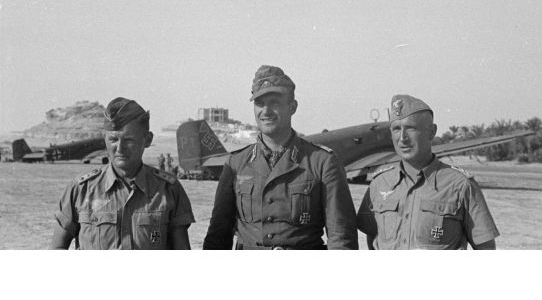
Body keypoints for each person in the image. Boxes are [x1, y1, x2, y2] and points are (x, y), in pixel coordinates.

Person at [203, 65, 358, 250]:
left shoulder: (322, 162)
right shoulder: (236, 164)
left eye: (274, 102)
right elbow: (218, 237)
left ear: (292, 107)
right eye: (259, 103)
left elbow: (341, 236)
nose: (266, 111)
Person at [357, 94, 499, 250]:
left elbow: (486, 248)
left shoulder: (460, 185)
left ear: (432, 131)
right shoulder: (379, 183)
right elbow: (372, 238)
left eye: (411, 128)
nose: (402, 138)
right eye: (396, 129)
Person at [50, 97, 195, 250]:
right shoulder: (81, 190)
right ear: (104, 139)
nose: (119, 148)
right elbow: (57, 248)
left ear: (147, 140)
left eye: (129, 140)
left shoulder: (168, 190)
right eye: (113, 139)